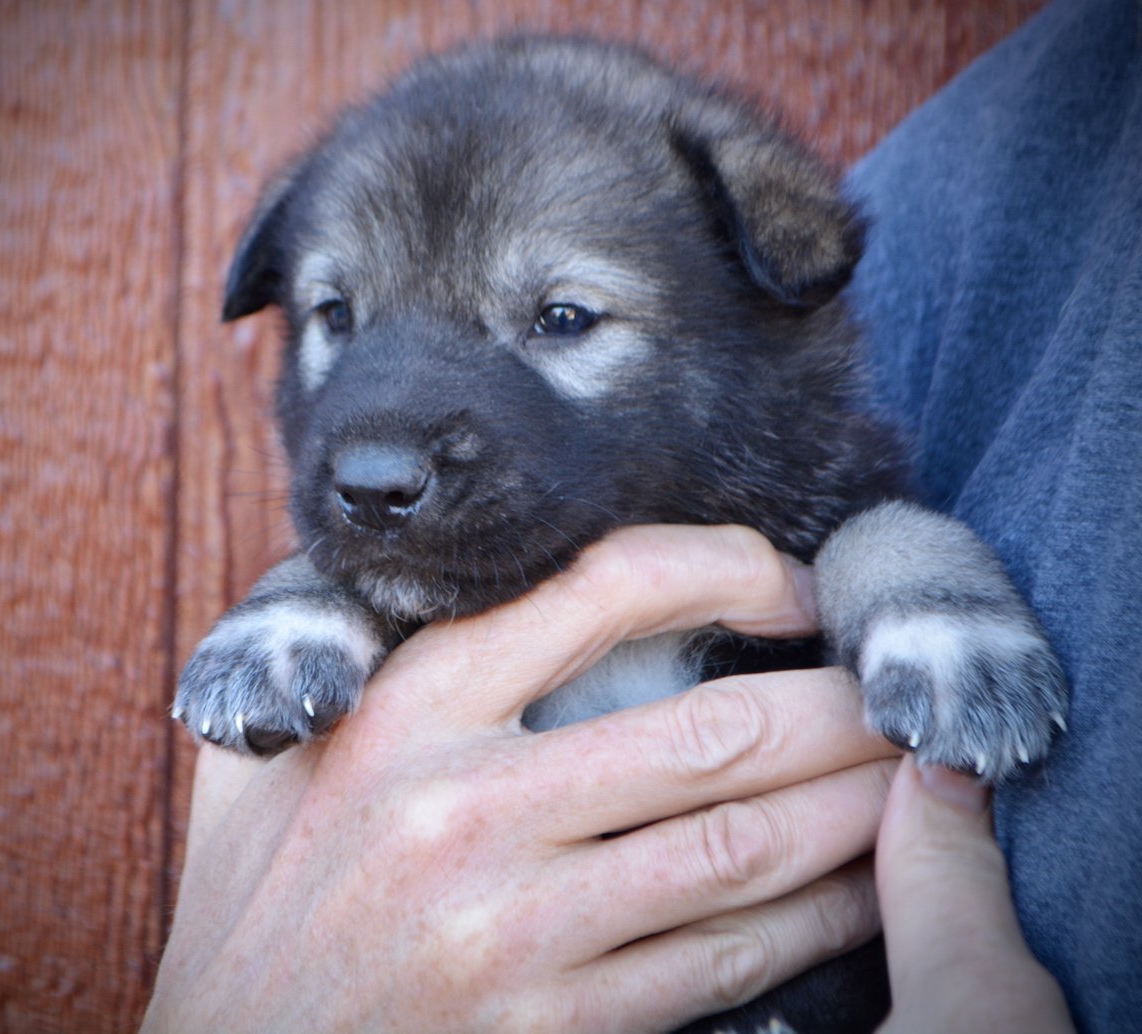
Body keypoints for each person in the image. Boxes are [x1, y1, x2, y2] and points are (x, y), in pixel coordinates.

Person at [142, 0, 1140, 1029]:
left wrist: (915, 594)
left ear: (761, 312)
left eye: (562, 318)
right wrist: (309, 602)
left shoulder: (830, 492)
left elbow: (861, 524)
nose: (377, 451)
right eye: (338, 317)